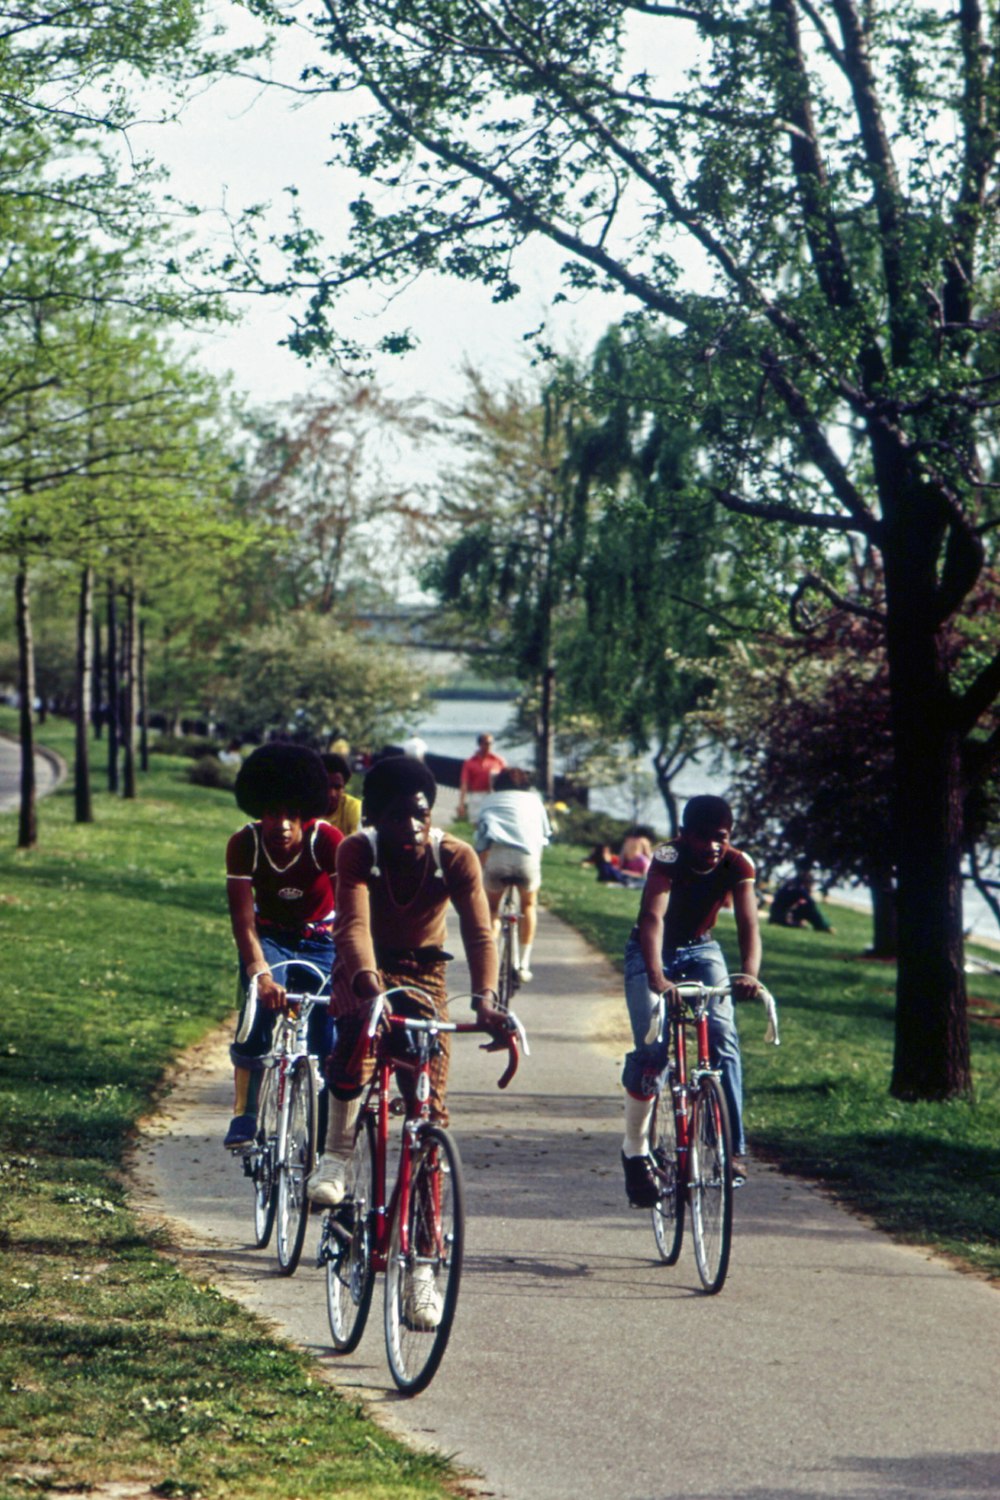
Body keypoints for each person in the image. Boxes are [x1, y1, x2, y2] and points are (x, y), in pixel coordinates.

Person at [308, 755, 510, 1217]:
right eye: (399, 816)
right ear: (375, 819)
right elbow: (353, 927)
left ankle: (421, 1259)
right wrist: (367, 986)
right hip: (367, 967)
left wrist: (487, 1000)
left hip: (424, 974)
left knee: (428, 1103)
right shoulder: (359, 851)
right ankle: (336, 1156)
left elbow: (480, 933)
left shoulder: (454, 856)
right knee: (356, 1043)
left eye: (422, 814)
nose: (414, 826)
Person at [620, 794, 762, 1202]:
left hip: (702, 949)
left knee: (723, 1037)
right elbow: (652, 917)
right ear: (684, 836)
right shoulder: (667, 856)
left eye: (721, 837)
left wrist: (749, 975)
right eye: (703, 838)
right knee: (651, 1049)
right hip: (651, 949)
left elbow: (748, 923)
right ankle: (635, 1151)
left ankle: (733, 1148)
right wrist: (655, 976)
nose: (712, 846)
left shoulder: (738, 864)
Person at [223, 743, 343, 1149]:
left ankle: (326, 1134)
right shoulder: (244, 845)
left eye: (293, 816)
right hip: (269, 937)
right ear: (260, 812)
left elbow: (350, 915)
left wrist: (350, 970)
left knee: (329, 1035)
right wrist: (260, 974)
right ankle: (245, 1113)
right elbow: (243, 922)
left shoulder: (327, 841)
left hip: (320, 941)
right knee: (255, 1017)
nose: (283, 826)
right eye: (274, 814)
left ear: (306, 816)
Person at [474, 767, 552, 983]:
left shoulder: (489, 801)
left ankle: (488, 963)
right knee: (528, 905)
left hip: (497, 860)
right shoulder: (535, 801)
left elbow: (481, 838)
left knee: (491, 909)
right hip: (526, 861)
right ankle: (523, 964)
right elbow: (545, 836)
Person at [768, 861, 834, 932]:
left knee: (804, 905)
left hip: (774, 918)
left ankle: (820, 926)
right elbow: (811, 905)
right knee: (808, 907)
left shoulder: (790, 884)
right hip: (781, 919)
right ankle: (823, 927)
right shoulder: (799, 888)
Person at [456, 732, 506, 822]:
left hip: (494, 795)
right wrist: (461, 804)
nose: (489, 746)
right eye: (486, 744)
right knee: (476, 822)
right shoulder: (470, 762)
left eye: (491, 743)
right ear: (480, 744)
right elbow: (464, 784)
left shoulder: (498, 761)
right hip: (477, 795)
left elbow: (507, 779)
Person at [321, 751, 362, 837]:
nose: (332, 794)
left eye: (337, 787)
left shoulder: (353, 807)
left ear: (344, 787)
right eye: (326, 786)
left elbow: (357, 843)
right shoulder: (308, 808)